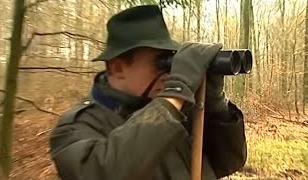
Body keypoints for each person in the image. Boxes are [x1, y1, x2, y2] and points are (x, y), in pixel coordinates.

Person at [49, 5, 247, 180]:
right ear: (118, 68)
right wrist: (176, 92)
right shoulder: (75, 128)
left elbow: (228, 162)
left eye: (171, 62)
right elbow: (104, 172)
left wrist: (215, 103)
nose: (168, 73)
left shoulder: (175, 111)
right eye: (161, 62)